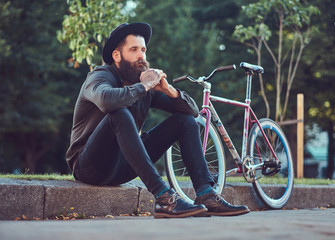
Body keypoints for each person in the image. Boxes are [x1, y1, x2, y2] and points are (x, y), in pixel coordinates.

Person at [65, 22, 250, 218]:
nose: (141, 56)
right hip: (89, 166)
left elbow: (193, 111)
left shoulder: (145, 87)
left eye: (143, 50)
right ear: (117, 56)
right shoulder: (99, 77)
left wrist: (168, 90)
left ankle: (206, 195)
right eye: (134, 49)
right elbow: (106, 101)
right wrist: (144, 86)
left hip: (123, 167)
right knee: (119, 113)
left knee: (184, 121)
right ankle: (164, 198)